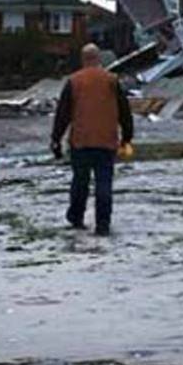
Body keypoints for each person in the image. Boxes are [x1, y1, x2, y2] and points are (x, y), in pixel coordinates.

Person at [50, 43, 133, 236]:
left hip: (81, 141)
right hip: (106, 140)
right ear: (99, 59)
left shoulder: (74, 81)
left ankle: (76, 218)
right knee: (104, 183)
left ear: (83, 59)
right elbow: (124, 112)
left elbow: (63, 114)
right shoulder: (112, 80)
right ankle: (103, 224)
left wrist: (56, 139)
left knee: (80, 181)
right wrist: (127, 137)